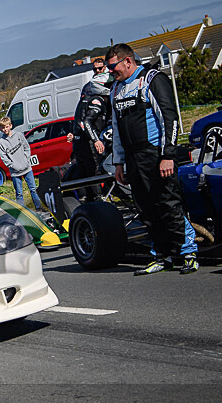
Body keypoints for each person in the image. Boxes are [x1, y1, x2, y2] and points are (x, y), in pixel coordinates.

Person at [106, 43, 198, 275]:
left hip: (156, 154)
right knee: (146, 208)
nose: (110, 72)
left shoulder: (151, 79)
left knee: (168, 203)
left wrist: (168, 155)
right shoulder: (115, 89)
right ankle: (161, 256)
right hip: (132, 158)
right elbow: (116, 129)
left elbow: (169, 118)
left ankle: (189, 253)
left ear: (128, 61)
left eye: (113, 67)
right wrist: (118, 162)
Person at [67, 70, 114, 199]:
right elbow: (86, 122)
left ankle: (86, 198)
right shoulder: (97, 101)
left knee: (84, 172)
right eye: (109, 85)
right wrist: (96, 140)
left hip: (80, 142)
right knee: (94, 171)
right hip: (87, 143)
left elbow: (78, 120)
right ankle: (97, 198)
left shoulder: (85, 100)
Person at [0, 116, 44, 211]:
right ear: (0, 129)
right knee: (19, 193)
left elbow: (27, 147)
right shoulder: (1, 142)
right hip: (15, 172)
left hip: (27, 168)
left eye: (6, 127)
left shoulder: (19, 135)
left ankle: (39, 208)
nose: (5, 129)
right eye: (3, 127)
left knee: (33, 189)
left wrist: (26, 159)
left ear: (10, 126)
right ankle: (22, 212)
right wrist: (13, 165)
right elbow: (4, 157)